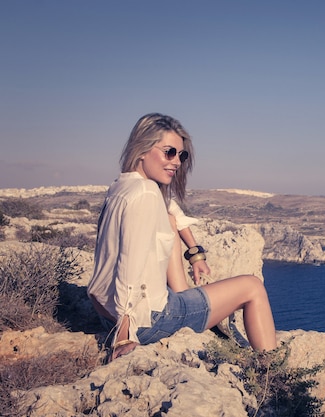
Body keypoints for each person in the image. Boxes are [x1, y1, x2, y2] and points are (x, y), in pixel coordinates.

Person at [88, 113, 277, 360]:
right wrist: (125, 335)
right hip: (144, 322)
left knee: (168, 223)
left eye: (181, 155)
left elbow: (172, 212)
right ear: (142, 149)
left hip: (106, 315)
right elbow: (128, 266)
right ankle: (272, 374)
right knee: (252, 287)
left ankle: (184, 297)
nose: (176, 162)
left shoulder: (122, 186)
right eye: (169, 152)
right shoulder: (146, 194)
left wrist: (195, 254)